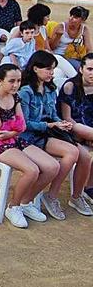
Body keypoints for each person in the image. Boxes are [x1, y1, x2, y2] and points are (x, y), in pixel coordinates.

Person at [0, 64, 55, 228]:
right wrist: (15, 129)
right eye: (11, 81)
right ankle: (13, 206)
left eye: (18, 81)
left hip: (15, 140)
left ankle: (26, 203)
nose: (16, 85)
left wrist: (13, 131)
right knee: (32, 170)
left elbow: (22, 125)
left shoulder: (16, 97)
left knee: (52, 167)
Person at [18, 51, 92, 218]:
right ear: (36, 69)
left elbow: (53, 114)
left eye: (53, 69)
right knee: (72, 152)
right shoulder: (26, 91)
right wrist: (51, 124)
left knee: (85, 156)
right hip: (32, 136)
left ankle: (77, 196)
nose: (52, 73)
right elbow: (25, 124)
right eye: (48, 69)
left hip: (51, 132)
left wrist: (60, 123)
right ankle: (51, 196)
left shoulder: (50, 88)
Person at [58, 53, 93, 204]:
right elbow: (67, 118)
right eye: (90, 69)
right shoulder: (70, 86)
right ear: (81, 69)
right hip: (72, 130)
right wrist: (87, 135)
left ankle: (89, 187)